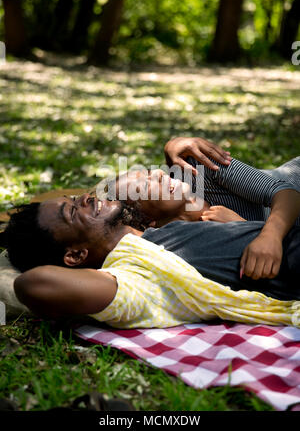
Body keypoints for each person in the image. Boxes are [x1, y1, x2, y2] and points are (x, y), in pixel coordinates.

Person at [1, 191, 300, 330]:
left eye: (75, 197)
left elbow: (288, 192)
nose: (86, 198)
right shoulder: (140, 279)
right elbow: (33, 284)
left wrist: (266, 232)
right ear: (75, 255)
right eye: (73, 211)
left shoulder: (164, 231)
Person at [110, 137, 300, 281]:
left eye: (149, 173)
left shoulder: (198, 168)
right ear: (148, 221)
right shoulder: (183, 248)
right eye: (145, 186)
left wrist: (269, 236)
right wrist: (243, 228)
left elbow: (286, 192)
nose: (159, 174)